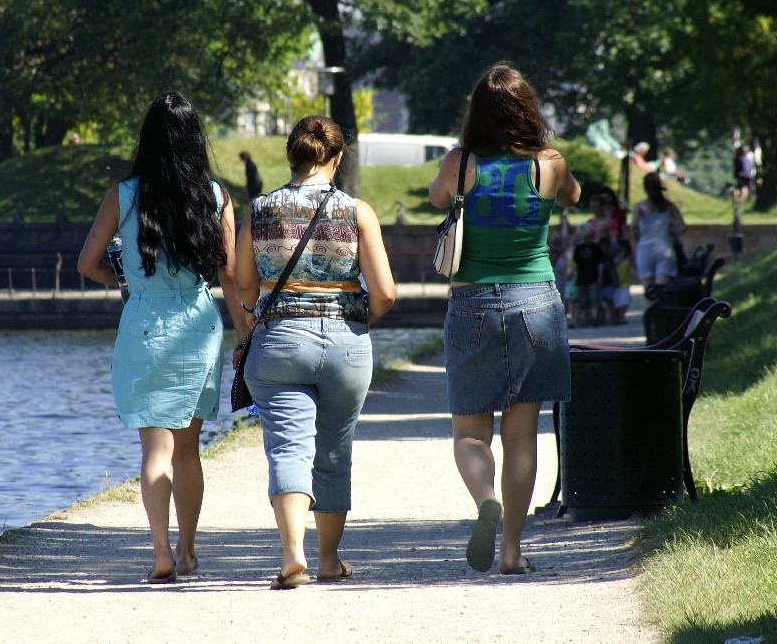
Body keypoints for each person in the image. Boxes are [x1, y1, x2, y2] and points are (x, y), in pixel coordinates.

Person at [77, 92, 247, 584]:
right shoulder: (215, 197)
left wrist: (128, 280)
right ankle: (189, 549)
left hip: (145, 326)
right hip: (198, 326)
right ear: (196, 140)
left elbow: (87, 263)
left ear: (147, 139)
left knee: (155, 450)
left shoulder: (124, 195)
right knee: (189, 450)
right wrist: (244, 333)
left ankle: (160, 553)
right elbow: (229, 272)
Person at [428, 63, 580, 575]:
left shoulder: (460, 161)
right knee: (522, 436)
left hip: (471, 304)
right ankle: (512, 551)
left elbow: (435, 199)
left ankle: (484, 499)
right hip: (536, 303)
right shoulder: (549, 164)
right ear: (527, 110)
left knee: (471, 435)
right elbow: (574, 196)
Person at [235, 115, 396, 589]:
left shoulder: (260, 209)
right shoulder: (357, 211)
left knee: (288, 446)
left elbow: (245, 282)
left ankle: (292, 556)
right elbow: (384, 292)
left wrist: (252, 312)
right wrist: (351, 320)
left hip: (281, 338)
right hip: (346, 342)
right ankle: (328, 560)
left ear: (292, 156)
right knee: (333, 451)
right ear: (337, 159)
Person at [632, 172, 686, 290]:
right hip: (664, 247)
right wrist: (670, 231)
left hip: (645, 248)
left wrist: (636, 237)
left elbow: (634, 226)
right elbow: (681, 227)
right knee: (662, 291)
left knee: (649, 293)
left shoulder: (640, 207)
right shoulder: (669, 206)